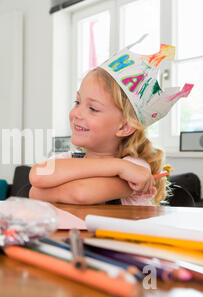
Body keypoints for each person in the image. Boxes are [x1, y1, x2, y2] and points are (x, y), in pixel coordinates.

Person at [29, 44, 193, 206]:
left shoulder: (136, 168)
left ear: (124, 127)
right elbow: (36, 176)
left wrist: (42, 192)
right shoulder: (123, 168)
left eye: (93, 108)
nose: (77, 113)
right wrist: (119, 167)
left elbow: (81, 193)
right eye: (77, 102)